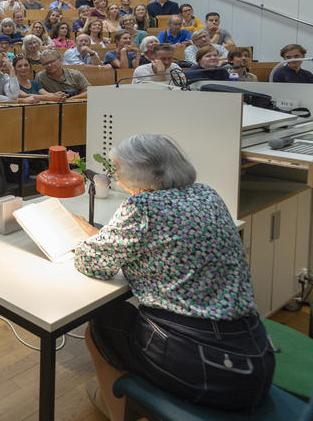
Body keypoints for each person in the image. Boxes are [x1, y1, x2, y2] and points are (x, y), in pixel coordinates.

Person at [75, 134, 273, 419]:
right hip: (253, 355)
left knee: (103, 325)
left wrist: (86, 240)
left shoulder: (141, 208)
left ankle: (115, 409)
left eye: (118, 171)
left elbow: (92, 263)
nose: (116, 178)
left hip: (203, 364)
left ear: (138, 173)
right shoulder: (208, 194)